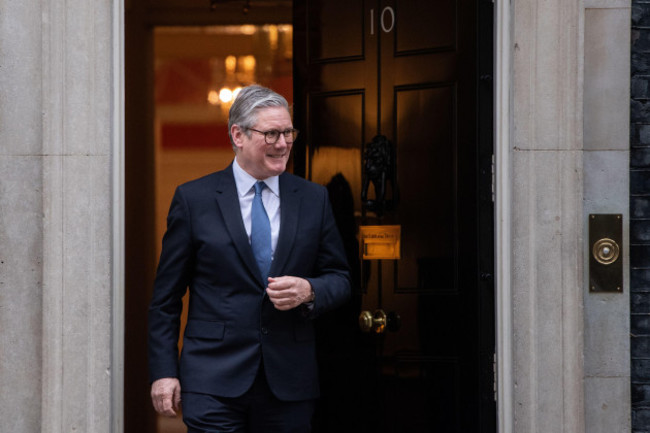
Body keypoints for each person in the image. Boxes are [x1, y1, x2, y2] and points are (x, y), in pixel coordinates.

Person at [148, 84, 351, 433]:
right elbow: (165, 300)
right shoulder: (194, 199)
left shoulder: (313, 198)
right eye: (271, 133)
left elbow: (341, 278)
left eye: (288, 132)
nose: (284, 143)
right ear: (238, 135)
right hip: (213, 379)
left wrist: (310, 290)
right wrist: (164, 372)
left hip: (289, 381)